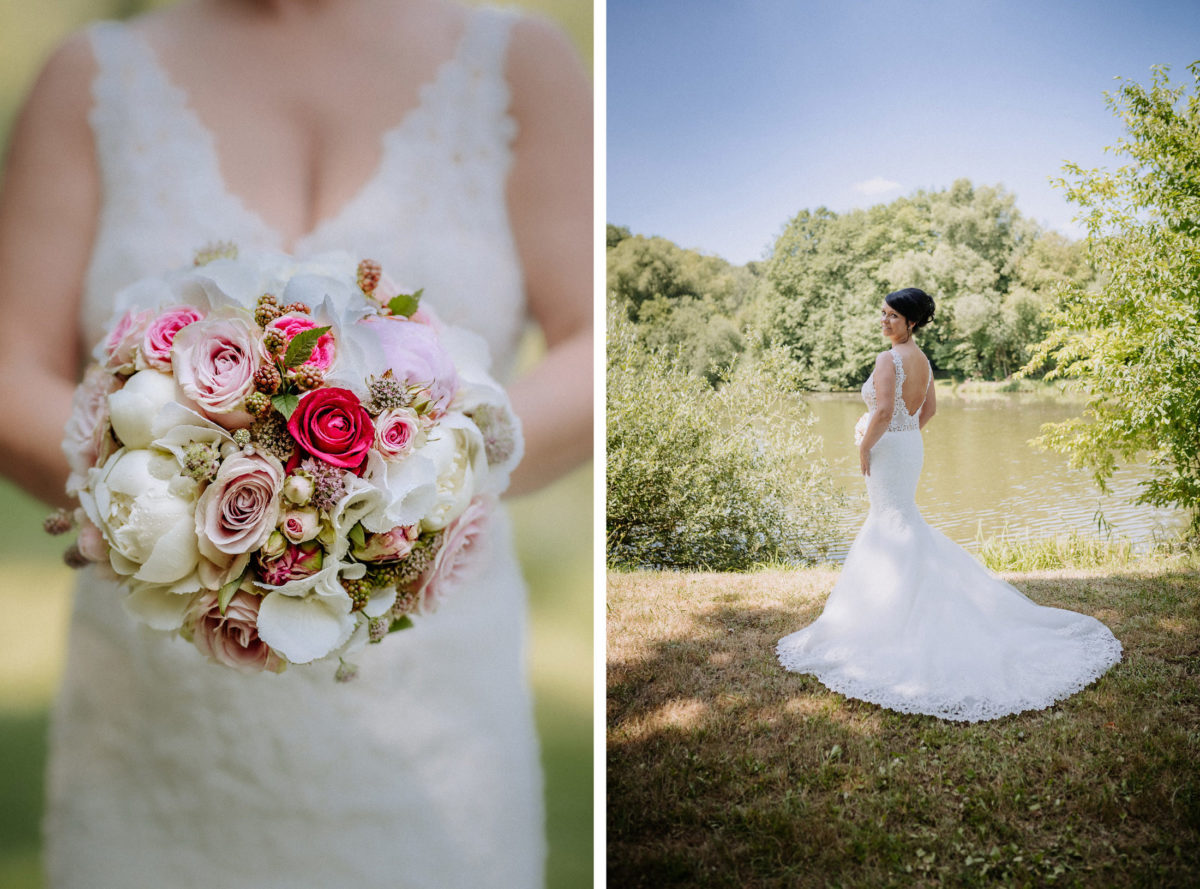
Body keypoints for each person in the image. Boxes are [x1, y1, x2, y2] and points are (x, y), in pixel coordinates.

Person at [0, 0, 591, 886]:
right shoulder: (91, 78)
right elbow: (10, 367)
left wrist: (421, 475)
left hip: (436, 727)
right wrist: (179, 499)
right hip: (152, 741)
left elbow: (595, 343)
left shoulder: (519, 64)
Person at [776, 287, 1121, 723]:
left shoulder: (889, 360)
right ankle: (892, 601)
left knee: (891, 522)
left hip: (887, 448)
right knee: (900, 521)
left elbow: (883, 411)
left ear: (911, 322)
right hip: (907, 447)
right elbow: (929, 410)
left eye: (893, 317)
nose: (884, 321)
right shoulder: (922, 361)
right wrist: (906, 432)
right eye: (883, 313)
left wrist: (867, 446)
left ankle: (887, 616)